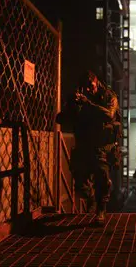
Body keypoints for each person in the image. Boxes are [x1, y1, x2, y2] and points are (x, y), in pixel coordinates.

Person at [56, 70, 119, 224]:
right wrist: (71, 105)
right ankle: (91, 198)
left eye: (91, 86)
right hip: (84, 144)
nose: (89, 90)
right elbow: (61, 118)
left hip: (101, 145)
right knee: (79, 182)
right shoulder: (80, 98)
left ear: (96, 83)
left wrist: (87, 103)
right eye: (86, 87)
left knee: (102, 179)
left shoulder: (108, 96)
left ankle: (101, 210)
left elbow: (109, 115)